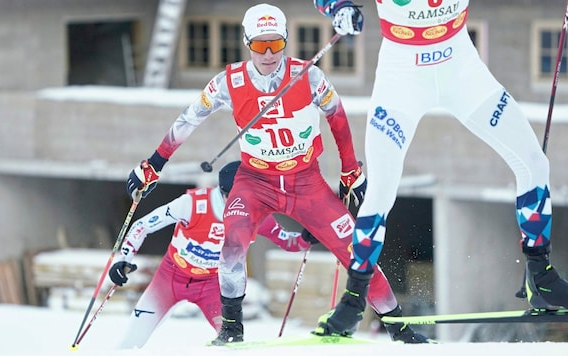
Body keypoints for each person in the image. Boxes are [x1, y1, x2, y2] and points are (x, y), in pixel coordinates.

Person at [125, 3, 430, 344]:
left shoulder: (309, 74)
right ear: (247, 42)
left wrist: (350, 171)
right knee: (232, 247)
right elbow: (188, 119)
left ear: (285, 40)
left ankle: (398, 327)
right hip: (255, 182)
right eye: (259, 45)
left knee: (356, 249)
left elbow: (337, 115)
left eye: (276, 44)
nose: (268, 53)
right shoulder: (229, 82)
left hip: (306, 182)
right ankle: (231, 328)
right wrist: (154, 164)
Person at [312, 0, 568, 337]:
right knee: (381, 190)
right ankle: (353, 300)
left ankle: (541, 276)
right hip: (402, 78)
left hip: (460, 69)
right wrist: (338, 7)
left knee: (534, 162)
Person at [109, 161, 314, 349]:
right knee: (129, 345)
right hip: (171, 278)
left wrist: (308, 236)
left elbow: (289, 241)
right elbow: (143, 225)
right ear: (223, 193)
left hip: (213, 287)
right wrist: (124, 259)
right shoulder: (191, 204)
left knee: (232, 345)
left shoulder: (257, 214)